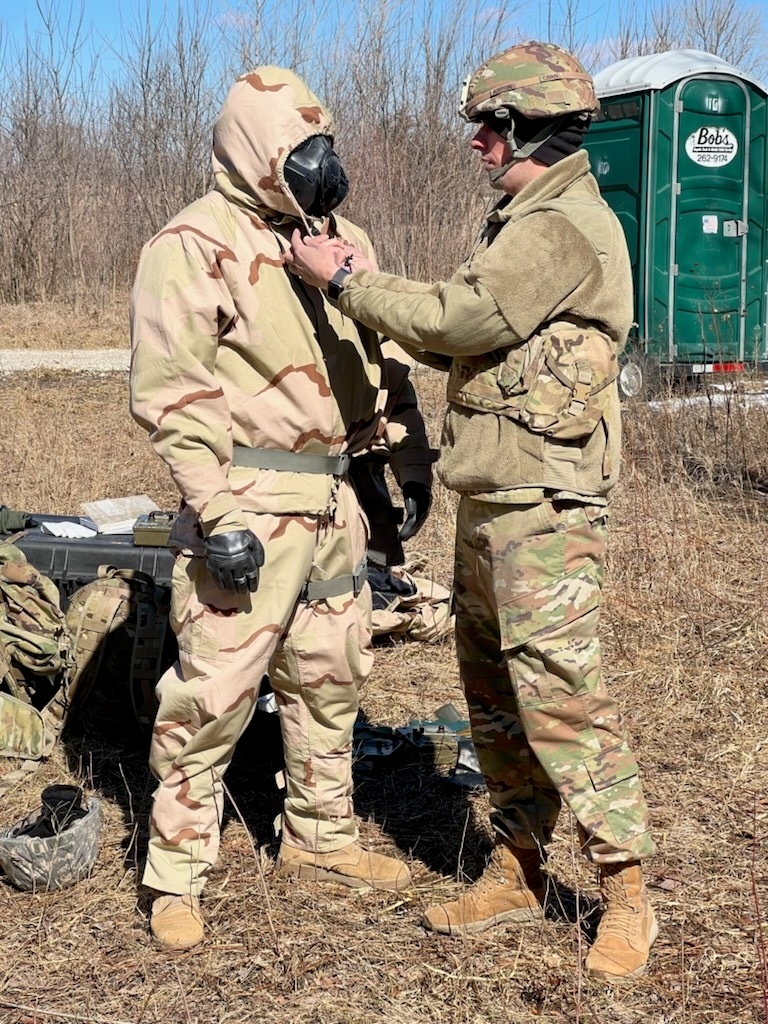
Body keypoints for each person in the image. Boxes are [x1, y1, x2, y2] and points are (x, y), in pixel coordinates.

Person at [286, 41, 657, 983]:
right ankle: (522, 864)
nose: (478, 145)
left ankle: (627, 896)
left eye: (489, 128)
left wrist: (346, 282)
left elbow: (462, 319)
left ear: (530, 126)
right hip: (497, 496)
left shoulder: (562, 225)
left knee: (561, 697)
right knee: (494, 697)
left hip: (548, 508)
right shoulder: (522, 217)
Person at [129, 66, 434, 951]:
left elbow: (387, 367)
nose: (318, 165)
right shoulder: (191, 244)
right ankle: (176, 874)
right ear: (253, 152)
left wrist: (403, 468)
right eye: (299, 151)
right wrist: (215, 514)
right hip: (246, 500)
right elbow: (174, 395)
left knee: (331, 678)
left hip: (333, 496)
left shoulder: (343, 242)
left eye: (323, 145)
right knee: (214, 691)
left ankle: (319, 836)